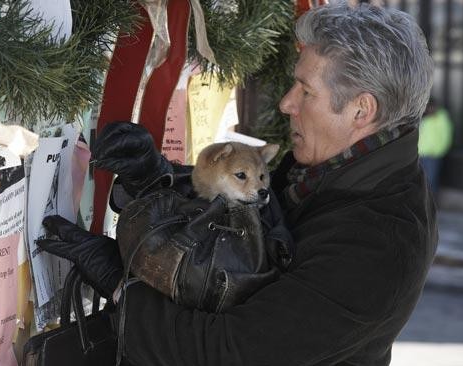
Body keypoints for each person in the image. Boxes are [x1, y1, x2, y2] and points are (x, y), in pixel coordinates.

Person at [38, 2, 438, 365]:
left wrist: (124, 286)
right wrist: (155, 178)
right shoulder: (334, 169)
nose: (286, 103)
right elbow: (240, 233)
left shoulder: (381, 240)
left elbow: (228, 351)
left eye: (305, 90)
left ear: (361, 110)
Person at [418, 98, 453, 196]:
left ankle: (431, 203)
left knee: (431, 180)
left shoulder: (442, 118)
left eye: (430, 107)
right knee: (421, 180)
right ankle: (422, 203)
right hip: (421, 154)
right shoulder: (424, 118)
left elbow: (446, 136)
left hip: (433, 155)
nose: (429, 110)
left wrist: (439, 150)